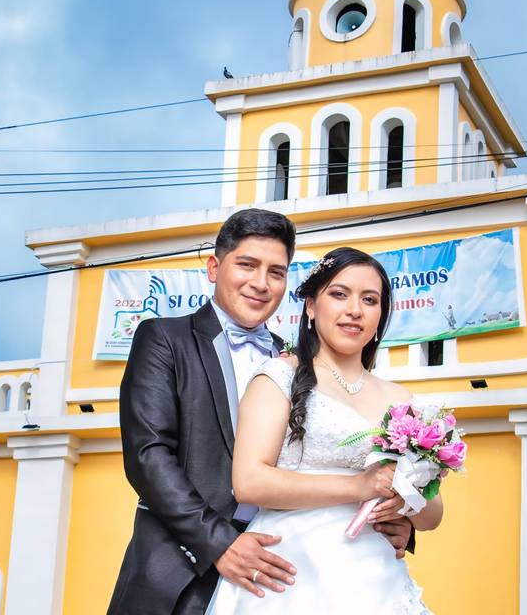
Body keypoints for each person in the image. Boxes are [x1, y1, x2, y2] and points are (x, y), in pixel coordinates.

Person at [108, 211, 414, 614]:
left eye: (276, 272)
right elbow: (148, 455)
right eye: (247, 265)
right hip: (183, 561)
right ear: (214, 268)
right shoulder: (165, 338)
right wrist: (220, 542)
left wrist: (397, 521)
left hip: (288, 565)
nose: (260, 283)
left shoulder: (296, 360)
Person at [206, 247, 443, 614]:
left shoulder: (400, 399)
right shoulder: (278, 378)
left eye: (370, 299)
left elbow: (432, 516)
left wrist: (405, 501)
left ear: (380, 316)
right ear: (312, 307)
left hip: (375, 575)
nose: (354, 310)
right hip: (293, 571)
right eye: (339, 294)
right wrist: (358, 487)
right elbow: (249, 482)